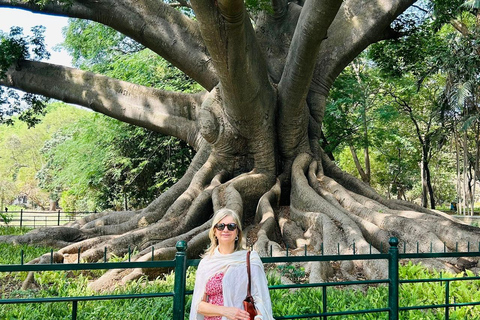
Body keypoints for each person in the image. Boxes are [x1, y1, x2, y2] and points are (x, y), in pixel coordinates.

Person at [189, 208, 274, 320]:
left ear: (237, 232)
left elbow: (261, 298)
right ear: (215, 231)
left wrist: (259, 318)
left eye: (231, 226)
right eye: (221, 226)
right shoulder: (207, 263)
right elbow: (199, 305)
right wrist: (226, 311)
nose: (225, 230)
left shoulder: (250, 260)